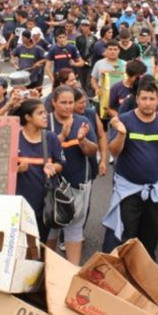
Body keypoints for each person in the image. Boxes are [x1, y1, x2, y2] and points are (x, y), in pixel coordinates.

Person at [103, 80, 158, 257]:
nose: (148, 103)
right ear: (137, 99)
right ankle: (124, 275)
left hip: (155, 190)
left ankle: (144, 275)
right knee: (126, 237)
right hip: (129, 190)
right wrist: (121, 133)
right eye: (144, 98)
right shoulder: (124, 120)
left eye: (152, 98)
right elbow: (114, 151)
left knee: (150, 238)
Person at [46, 85, 98, 264]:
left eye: (70, 102)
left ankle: (72, 271)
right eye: (63, 103)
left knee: (75, 229)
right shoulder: (45, 121)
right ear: (53, 102)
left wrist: (83, 141)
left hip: (79, 183)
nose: (68, 107)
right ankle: (47, 269)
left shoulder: (82, 120)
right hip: (52, 187)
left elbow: (92, 151)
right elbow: (42, 153)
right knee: (52, 227)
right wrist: (62, 135)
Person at [14, 98, 64, 245]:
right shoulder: (14, 138)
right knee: (19, 243)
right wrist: (16, 169)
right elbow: (0, 168)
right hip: (20, 203)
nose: (45, 116)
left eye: (45, 112)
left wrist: (53, 167)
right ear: (28, 117)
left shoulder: (51, 137)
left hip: (44, 202)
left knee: (39, 242)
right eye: (40, 113)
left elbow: (61, 163)